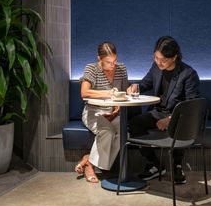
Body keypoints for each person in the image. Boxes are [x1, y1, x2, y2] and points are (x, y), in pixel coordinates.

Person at [127, 36, 200, 184]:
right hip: (158, 112)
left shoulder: (188, 74)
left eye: (163, 60)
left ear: (174, 57)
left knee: (180, 125)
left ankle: (177, 165)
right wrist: (136, 86)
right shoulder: (156, 67)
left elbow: (191, 106)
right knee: (135, 123)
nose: (159, 62)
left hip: (178, 115)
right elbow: (145, 83)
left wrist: (170, 119)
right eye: (156, 58)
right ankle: (154, 164)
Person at [75, 42, 128, 183]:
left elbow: (123, 94)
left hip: (114, 112)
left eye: (115, 61)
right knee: (108, 132)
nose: (113, 65)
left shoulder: (121, 69)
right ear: (99, 58)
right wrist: (108, 93)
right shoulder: (92, 69)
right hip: (93, 111)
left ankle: (89, 161)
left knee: (124, 132)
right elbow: (84, 92)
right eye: (108, 62)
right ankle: (90, 167)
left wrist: (117, 106)